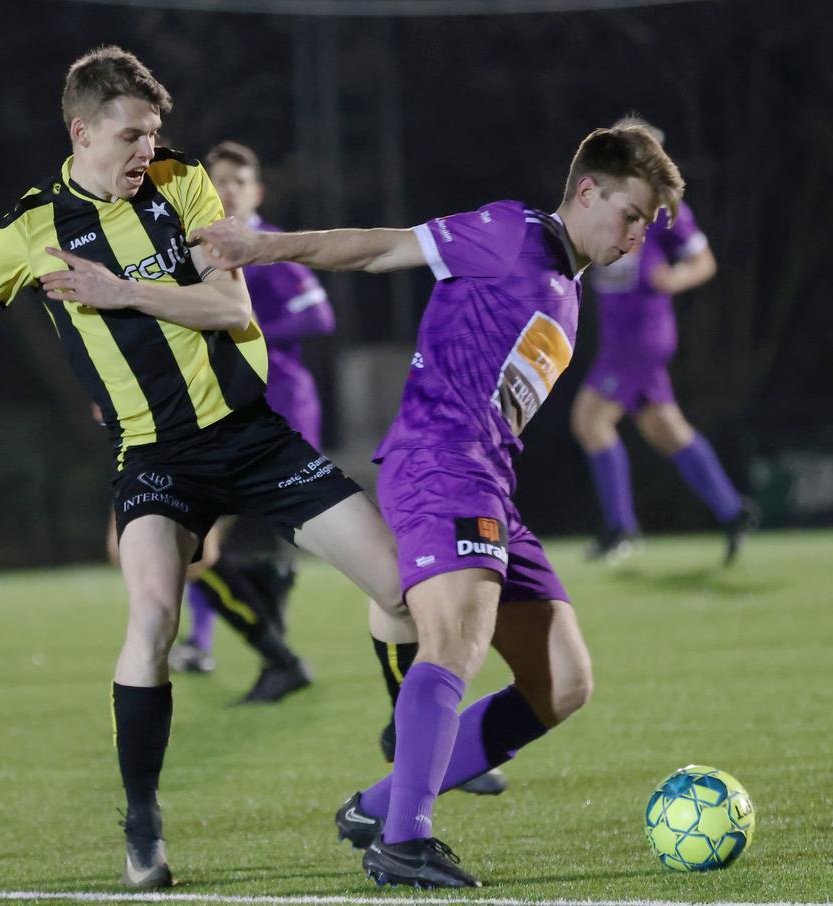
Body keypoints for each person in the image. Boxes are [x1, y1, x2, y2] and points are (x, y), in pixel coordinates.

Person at [0, 46, 407, 890]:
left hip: (253, 437)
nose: (147, 149)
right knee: (154, 613)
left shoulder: (184, 183)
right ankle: (142, 819)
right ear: (81, 130)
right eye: (132, 135)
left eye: (154, 133)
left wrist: (120, 291)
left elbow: (229, 305)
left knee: (395, 586)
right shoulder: (26, 231)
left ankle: (404, 759)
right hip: (155, 457)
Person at [194, 121, 685, 888]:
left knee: (562, 681)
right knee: (453, 641)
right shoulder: (511, 232)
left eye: (648, 226)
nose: (635, 236)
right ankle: (404, 841)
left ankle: (378, 806)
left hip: (490, 478)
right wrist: (262, 247)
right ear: (587, 191)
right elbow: (376, 246)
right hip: (442, 464)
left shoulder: (567, 288)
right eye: (631, 214)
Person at [165, 140, 335, 704]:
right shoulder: (194, 245)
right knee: (192, 539)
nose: (230, 190)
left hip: (275, 406)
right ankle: (266, 608)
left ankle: (261, 643)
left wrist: (246, 327)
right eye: (220, 181)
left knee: (188, 539)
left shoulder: (263, 247)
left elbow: (319, 316)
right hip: (222, 410)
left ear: (256, 192)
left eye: (240, 181)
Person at [571, 118, 753, 565]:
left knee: (590, 420)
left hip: (640, 340)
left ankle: (620, 529)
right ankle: (733, 511)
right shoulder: (605, 201)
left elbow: (704, 261)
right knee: (664, 429)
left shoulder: (662, 208)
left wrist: (673, 278)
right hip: (622, 341)